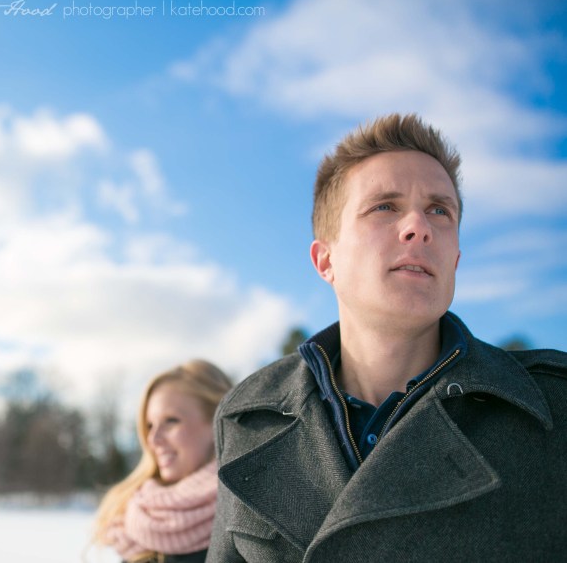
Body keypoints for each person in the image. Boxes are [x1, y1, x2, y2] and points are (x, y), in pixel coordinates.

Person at [206, 113, 567, 562]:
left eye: (440, 209)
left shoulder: (555, 407)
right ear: (326, 260)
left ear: (455, 259)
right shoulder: (247, 417)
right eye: (385, 206)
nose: (420, 225)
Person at [94, 359, 233, 563]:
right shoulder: (136, 520)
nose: (153, 439)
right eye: (150, 425)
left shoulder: (251, 519)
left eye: (171, 420)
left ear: (217, 422)